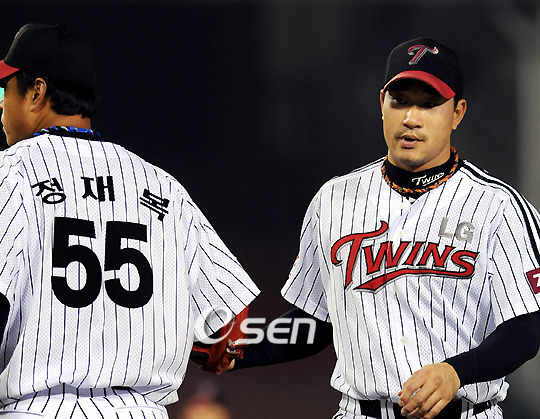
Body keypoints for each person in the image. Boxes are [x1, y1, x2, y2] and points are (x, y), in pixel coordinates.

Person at [233, 38, 540, 419]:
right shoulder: (333, 200)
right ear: (382, 103)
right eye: (400, 101)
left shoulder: (498, 206)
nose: (411, 117)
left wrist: (456, 372)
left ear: (457, 113)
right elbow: (316, 323)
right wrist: (237, 349)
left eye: (429, 104)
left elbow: (527, 328)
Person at [0, 23, 259, 418]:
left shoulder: (10, 175)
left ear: (36, 92)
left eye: (6, 90)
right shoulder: (163, 187)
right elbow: (228, 328)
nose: (1, 105)